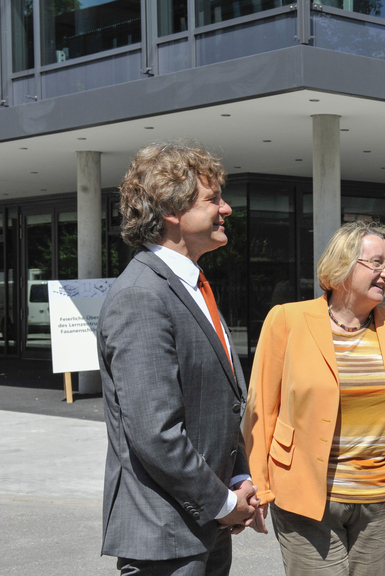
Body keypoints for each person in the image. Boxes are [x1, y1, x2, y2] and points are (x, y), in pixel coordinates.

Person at [98, 141, 263, 576]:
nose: (226, 209)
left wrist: (237, 478)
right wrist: (224, 503)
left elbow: (218, 404)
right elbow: (156, 432)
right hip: (165, 539)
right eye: (213, 199)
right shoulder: (140, 296)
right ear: (172, 211)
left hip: (205, 526)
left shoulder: (192, 285)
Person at [243, 221, 385, 576]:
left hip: (381, 501)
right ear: (343, 264)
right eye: (376, 263)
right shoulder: (287, 320)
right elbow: (260, 409)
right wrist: (260, 485)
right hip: (306, 498)